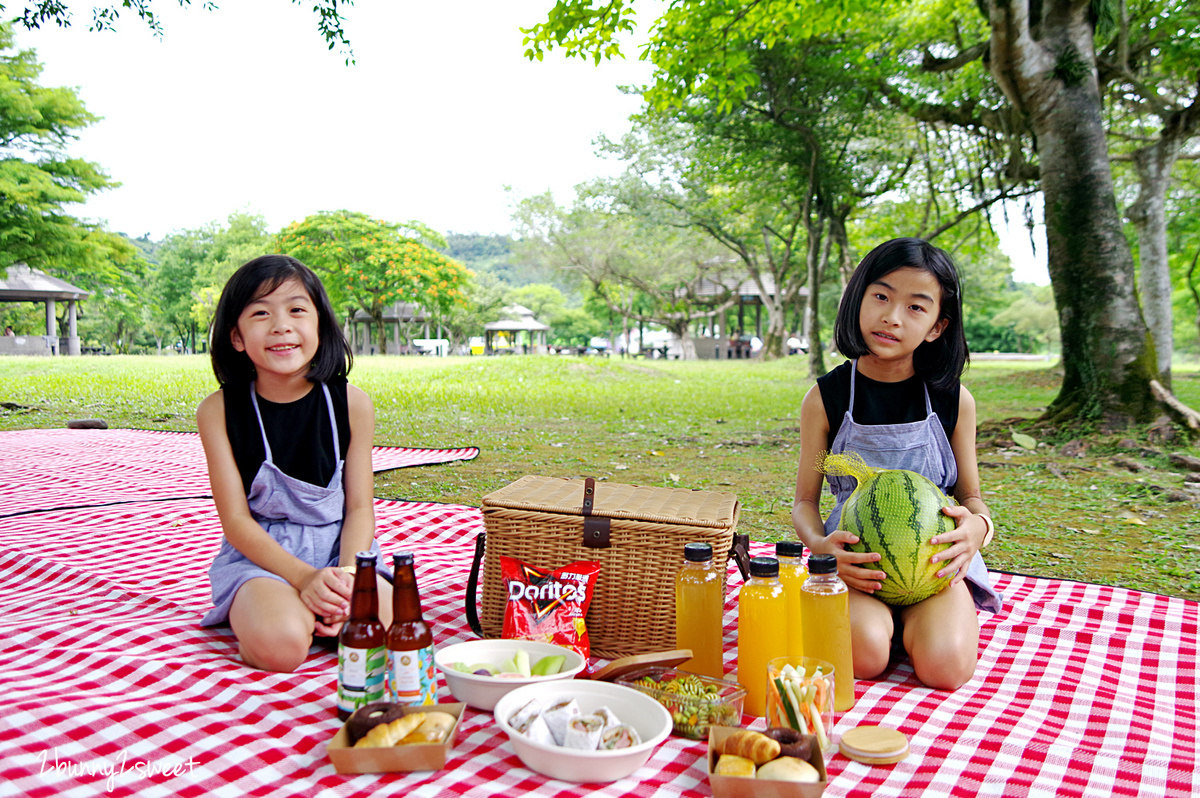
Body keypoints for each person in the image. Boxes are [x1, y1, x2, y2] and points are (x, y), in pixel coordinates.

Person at [791, 238, 1002, 691]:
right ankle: (889, 625)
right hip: (858, 565)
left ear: (936, 327)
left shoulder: (953, 400)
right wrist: (822, 547)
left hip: (937, 565)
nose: (892, 317)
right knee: (861, 657)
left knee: (945, 669)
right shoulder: (825, 398)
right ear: (858, 298)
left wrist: (978, 530)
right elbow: (804, 503)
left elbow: (972, 498)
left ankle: (920, 624)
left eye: (916, 307)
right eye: (882, 297)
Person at [197, 254, 392, 672]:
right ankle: (280, 617)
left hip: (343, 551)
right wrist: (304, 580)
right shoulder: (218, 411)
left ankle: (322, 614)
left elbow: (359, 508)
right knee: (281, 646)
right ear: (236, 337)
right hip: (264, 559)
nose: (281, 325)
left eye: (297, 309)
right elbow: (235, 521)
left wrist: (345, 583)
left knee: (386, 628)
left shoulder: (353, 403)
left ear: (318, 323)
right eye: (261, 313)